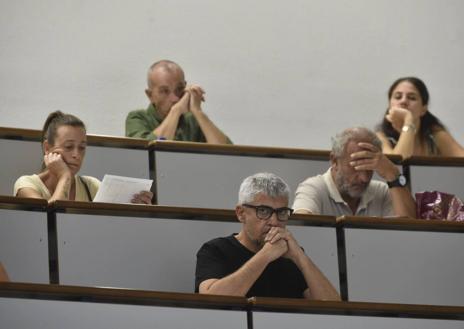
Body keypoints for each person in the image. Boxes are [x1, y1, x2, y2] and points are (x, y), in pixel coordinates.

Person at [195, 172, 340, 300]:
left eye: (282, 212)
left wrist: (300, 258)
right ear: (241, 213)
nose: (274, 221)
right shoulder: (216, 250)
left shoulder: (291, 256)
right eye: (263, 211)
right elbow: (211, 301)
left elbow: (334, 311)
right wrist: (265, 255)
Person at [14, 111, 153, 204]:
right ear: (47, 148)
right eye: (68, 147)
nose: (76, 154)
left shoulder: (91, 185)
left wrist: (139, 206)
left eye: (82, 148)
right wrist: (64, 176)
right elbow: (51, 222)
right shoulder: (27, 184)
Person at [293, 127, 416, 218]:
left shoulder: (381, 191)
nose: (364, 178)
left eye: (369, 169)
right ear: (335, 161)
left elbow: (410, 231)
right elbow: (303, 229)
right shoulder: (314, 188)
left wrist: (393, 174)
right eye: (355, 167)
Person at [126, 60, 232, 144]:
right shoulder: (137, 118)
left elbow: (229, 155)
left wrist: (198, 112)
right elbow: (149, 153)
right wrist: (176, 111)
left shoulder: (192, 120)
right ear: (150, 95)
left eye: (179, 89)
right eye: (164, 91)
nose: (175, 98)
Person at [376, 77, 464, 158]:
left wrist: (408, 121)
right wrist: (408, 121)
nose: (403, 101)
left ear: (423, 109)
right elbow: (398, 166)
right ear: (390, 105)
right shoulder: (381, 137)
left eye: (412, 98)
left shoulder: (434, 134)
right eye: (398, 97)